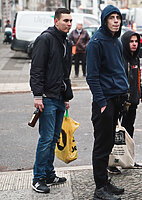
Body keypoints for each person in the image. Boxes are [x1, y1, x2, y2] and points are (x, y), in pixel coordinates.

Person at [86, 5, 128, 200]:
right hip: (105, 101)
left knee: (109, 142)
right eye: (111, 18)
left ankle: (104, 182)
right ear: (105, 20)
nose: (115, 21)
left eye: (118, 18)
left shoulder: (116, 41)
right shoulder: (96, 42)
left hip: (117, 98)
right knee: (102, 145)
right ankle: (99, 189)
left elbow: (118, 68)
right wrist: (102, 102)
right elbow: (92, 76)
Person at [30, 8, 73, 193]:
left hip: (58, 98)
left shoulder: (66, 41)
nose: (69, 24)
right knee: (46, 139)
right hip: (46, 98)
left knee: (54, 138)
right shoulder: (46, 39)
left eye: (70, 21)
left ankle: (49, 174)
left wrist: (66, 97)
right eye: (65, 20)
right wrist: (37, 95)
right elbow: (37, 69)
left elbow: (65, 73)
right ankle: (38, 178)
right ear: (56, 21)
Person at [107, 30, 142, 175]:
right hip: (122, 102)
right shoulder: (121, 59)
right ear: (125, 42)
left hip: (133, 103)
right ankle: (112, 162)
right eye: (131, 41)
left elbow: (136, 79)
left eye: (136, 41)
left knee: (128, 132)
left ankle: (128, 159)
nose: (134, 44)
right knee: (115, 132)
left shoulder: (134, 59)